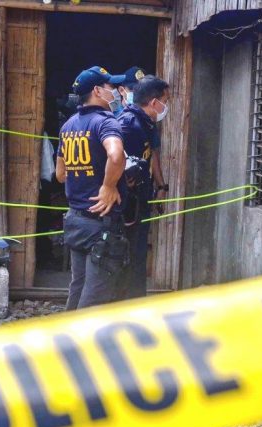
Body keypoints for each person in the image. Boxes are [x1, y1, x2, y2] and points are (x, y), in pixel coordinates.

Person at [56, 66, 129, 310]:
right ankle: (81, 345)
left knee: (78, 286)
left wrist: (84, 177)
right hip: (101, 224)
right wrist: (108, 185)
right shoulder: (105, 123)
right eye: (110, 88)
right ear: (97, 91)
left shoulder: (68, 126)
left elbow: (60, 174)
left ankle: (64, 344)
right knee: (95, 298)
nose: (116, 92)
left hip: (76, 220)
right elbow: (116, 155)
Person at [115, 75, 170, 300]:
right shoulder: (129, 125)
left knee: (137, 255)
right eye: (165, 100)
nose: (167, 106)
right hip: (127, 204)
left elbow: (149, 158)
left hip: (139, 200)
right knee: (127, 255)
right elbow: (117, 165)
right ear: (153, 101)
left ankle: (135, 302)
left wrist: (160, 186)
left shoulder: (145, 123)